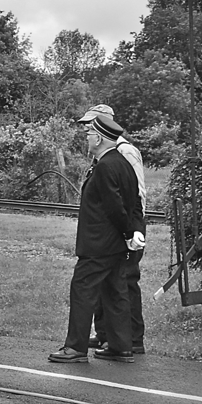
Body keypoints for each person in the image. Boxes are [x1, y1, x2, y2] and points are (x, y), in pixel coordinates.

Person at [49, 113, 144, 364]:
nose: (87, 138)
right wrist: (132, 233)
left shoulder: (104, 166)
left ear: (100, 138)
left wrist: (126, 232)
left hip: (99, 244)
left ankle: (75, 347)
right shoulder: (123, 164)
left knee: (82, 289)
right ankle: (121, 346)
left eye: (90, 133)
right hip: (115, 246)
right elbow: (134, 204)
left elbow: (115, 207)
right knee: (115, 291)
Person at [78, 104, 148, 354]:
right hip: (113, 228)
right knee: (107, 284)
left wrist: (133, 230)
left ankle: (132, 339)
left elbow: (134, 194)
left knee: (125, 282)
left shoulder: (124, 151)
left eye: (91, 122)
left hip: (126, 228)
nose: (86, 127)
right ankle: (107, 335)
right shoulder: (103, 153)